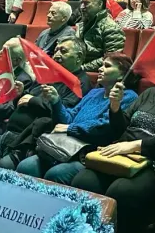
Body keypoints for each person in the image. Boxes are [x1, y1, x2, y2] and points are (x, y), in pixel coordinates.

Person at [69, 81, 155, 231]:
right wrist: (115, 107)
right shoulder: (151, 92)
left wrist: (136, 145)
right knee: (83, 181)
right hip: (119, 153)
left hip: (154, 162)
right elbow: (120, 128)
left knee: (121, 191)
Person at [0, 37, 91, 167]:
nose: (57, 54)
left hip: (29, 142)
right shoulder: (49, 75)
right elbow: (24, 101)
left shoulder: (79, 84)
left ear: (78, 57)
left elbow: (63, 113)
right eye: (56, 50)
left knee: (3, 166)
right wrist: (21, 94)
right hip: (9, 134)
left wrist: (33, 100)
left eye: (64, 51)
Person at [15, 53, 139, 184]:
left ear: (121, 74)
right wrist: (56, 100)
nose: (100, 69)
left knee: (55, 174)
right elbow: (68, 117)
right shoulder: (94, 93)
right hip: (65, 145)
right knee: (26, 166)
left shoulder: (129, 97)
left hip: (88, 152)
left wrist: (71, 128)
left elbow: (106, 126)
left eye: (107, 66)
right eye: (101, 65)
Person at [76, 0, 125, 72]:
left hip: (92, 73)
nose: (82, 7)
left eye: (86, 3)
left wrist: (82, 68)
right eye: (81, 3)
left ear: (100, 4)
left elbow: (111, 58)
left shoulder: (111, 28)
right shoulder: (81, 25)